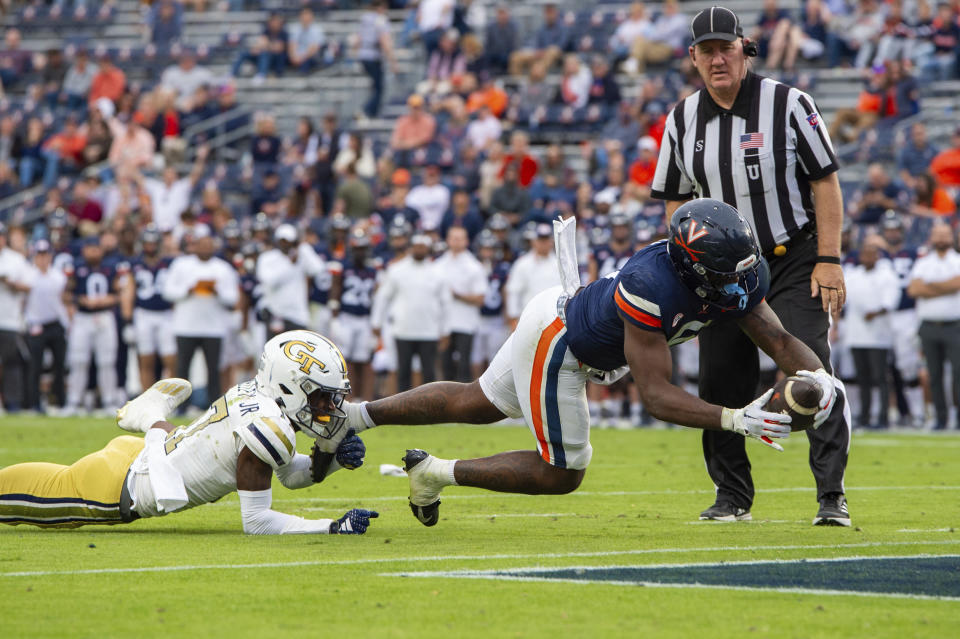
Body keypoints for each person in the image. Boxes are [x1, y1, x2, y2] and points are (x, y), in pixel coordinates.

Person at [333, 201, 835, 528]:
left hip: (560, 311)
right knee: (564, 472)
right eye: (723, 273)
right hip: (565, 343)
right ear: (689, 264)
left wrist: (821, 377)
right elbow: (657, 396)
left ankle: (356, 417)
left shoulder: (737, 274)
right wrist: (735, 418)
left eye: (741, 269)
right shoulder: (651, 284)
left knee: (477, 401)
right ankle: (435, 471)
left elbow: (778, 337)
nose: (737, 284)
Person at [649, 7, 850, 526]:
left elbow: (825, 181)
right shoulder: (681, 119)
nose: (718, 59)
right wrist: (688, 264)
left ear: (745, 49)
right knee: (719, 383)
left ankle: (831, 495)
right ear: (692, 57)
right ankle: (732, 496)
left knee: (811, 368)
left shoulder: (788, 103)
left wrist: (829, 258)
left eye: (726, 48)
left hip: (790, 257)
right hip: (721, 273)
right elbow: (673, 200)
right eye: (707, 50)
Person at [0, 331, 377, 535]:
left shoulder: (256, 394)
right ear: (291, 387)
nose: (330, 408)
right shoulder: (268, 428)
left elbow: (287, 472)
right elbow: (258, 522)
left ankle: (149, 414)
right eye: (322, 398)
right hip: (113, 488)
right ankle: (149, 414)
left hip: (146, 455)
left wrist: (330, 464)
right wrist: (330, 526)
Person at [163, 225, 239, 405]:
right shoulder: (181, 264)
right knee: (182, 369)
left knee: (213, 370)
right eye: (201, 245)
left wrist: (217, 291)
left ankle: (214, 406)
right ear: (195, 246)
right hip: (186, 326)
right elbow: (167, 292)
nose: (205, 248)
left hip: (213, 328)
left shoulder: (222, 268)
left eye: (208, 245)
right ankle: (180, 406)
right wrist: (187, 290)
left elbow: (233, 298)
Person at [372, 234, 450, 393]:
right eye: (416, 246)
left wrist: (445, 330)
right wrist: (376, 322)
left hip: (429, 331)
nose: (419, 249)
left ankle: (429, 409)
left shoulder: (438, 272)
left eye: (422, 247)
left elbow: (446, 303)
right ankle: (403, 411)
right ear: (411, 247)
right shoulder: (397, 270)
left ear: (428, 249)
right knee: (403, 372)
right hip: (403, 330)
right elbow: (383, 296)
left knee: (429, 373)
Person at [63, 238, 133, 415]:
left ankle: (109, 401)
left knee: (107, 361)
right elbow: (66, 294)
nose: (93, 252)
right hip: (83, 317)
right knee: (78, 360)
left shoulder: (110, 268)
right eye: (90, 249)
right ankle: (74, 401)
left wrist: (109, 299)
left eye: (96, 248)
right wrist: (80, 300)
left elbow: (120, 292)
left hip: (104, 316)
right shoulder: (76, 267)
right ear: (85, 250)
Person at [907, 224, 960, 430]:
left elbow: (958, 283)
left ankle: (957, 418)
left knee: (958, 373)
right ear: (931, 237)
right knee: (934, 374)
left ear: (951, 237)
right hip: (928, 325)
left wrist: (930, 287)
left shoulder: (956, 260)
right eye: (937, 234)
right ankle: (941, 418)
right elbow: (914, 289)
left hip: (954, 325)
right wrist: (948, 286)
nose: (941, 238)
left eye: (944, 234)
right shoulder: (924, 262)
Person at [843, 234, 899, 429]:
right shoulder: (853, 275)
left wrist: (874, 313)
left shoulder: (886, 275)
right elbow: (845, 300)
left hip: (878, 336)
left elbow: (889, 302)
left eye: (871, 254)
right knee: (862, 378)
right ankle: (864, 416)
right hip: (856, 334)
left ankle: (883, 417)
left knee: (880, 377)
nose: (867, 258)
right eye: (864, 254)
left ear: (877, 256)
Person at [435, 227, 487, 382]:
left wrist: (456, 295)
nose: (456, 242)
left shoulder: (474, 266)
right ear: (448, 240)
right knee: (445, 364)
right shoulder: (438, 265)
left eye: (460, 238)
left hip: (465, 322)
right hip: (443, 322)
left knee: (464, 366)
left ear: (466, 241)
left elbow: (480, 298)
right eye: (453, 238)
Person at [23, 240, 68, 413]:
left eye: (45, 255)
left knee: (59, 364)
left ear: (50, 256)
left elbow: (63, 300)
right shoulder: (28, 276)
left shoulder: (58, 276)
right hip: (36, 324)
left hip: (55, 323)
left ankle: (60, 401)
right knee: (35, 366)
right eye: (39, 255)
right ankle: (34, 403)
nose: (42, 259)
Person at [0, 225, 33, 412]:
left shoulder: (16, 259)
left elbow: (30, 285)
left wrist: (11, 283)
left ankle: (13, 403)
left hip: (9, 319)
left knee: (11, 362)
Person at [356, 0, 397, 119]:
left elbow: (358, 40)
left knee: (375, 86)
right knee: (379, 87)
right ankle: (366, 111)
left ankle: (369, 113)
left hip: (363, 55)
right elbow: (385, 42)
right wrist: (393, 62)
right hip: (373, 56)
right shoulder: (380, 19)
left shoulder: (364, 18)